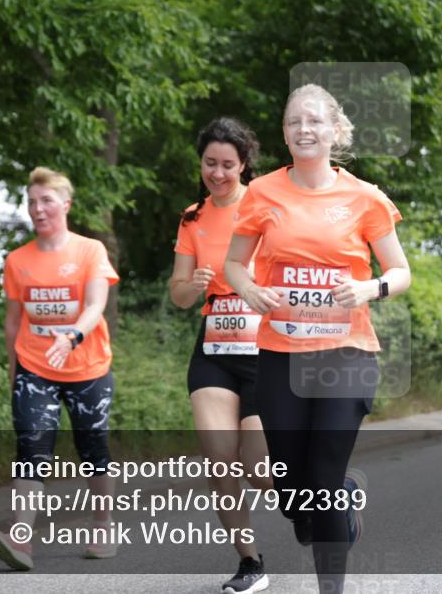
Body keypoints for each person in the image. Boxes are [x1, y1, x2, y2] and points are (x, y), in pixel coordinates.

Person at [225, 83, 411, 594]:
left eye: (313, 121)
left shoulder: (364, 197)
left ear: (334, 130)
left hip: (346, 354)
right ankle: (338, 503)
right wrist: (250, 290)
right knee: (290, 489)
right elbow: (234, 264)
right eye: (293, 122)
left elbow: (400, 272)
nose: (303, 129)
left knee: (323, 483)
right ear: (285, 133)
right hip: (280, 355)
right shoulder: (262, 192)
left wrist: (368, 287)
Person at [0, 167, 120, 571]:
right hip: (35, 367)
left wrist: (72, 336)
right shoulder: (17, 260)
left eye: (46, 200)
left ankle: (103, 526)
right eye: (31, 202)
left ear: (65, 204)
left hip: (88, 366)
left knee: (92, 448)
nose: (38, 209)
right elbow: (13, 321)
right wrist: (14, 373)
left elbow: (96, 305)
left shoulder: (89, 250)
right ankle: (20, 539)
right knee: (31, 447)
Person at [169, 118, 272, 594]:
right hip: (214, 347)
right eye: (210, 163)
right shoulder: (192, 217)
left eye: (228, 164)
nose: (218, 172)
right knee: (218, 461)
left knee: (260, 471)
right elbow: (179, 295)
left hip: (263, 347)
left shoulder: (267, 205)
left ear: (244, 163)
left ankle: (325, 497)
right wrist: (188, 287)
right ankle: (250, 563)